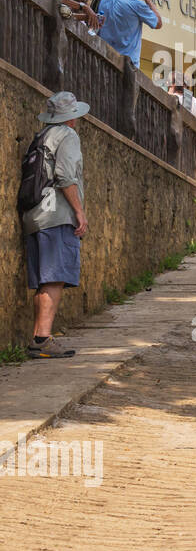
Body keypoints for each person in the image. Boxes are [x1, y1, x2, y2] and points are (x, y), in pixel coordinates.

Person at [21, 92, 91, 359]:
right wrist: (79, 212)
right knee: (55, 278)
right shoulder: (68, 136)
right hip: (57, 215)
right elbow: (64, 176)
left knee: (44, 280)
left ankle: (39, 337)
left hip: (35, 216)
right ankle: (42, 339)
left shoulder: (41, 137)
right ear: (71, 117)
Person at [96, 0, 162, 66]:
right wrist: (148, 0)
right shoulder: (137, 5)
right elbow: (158, 23)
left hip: (101, 57)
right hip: (126, 66)